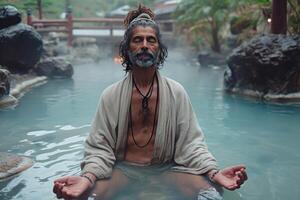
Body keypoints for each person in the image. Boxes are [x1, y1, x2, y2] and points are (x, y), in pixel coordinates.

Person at [53, 5, 247, 200]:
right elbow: (99, 147)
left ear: (159, 48)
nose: (144, 45)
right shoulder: (111, 95)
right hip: (125, 171)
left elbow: (191, 144)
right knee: (85, 196)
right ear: (127, 49)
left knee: (211, 195)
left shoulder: (176, 93)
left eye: (151, 40)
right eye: (138, 40)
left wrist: (214, 173)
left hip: (167, 170)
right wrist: (87, 178)